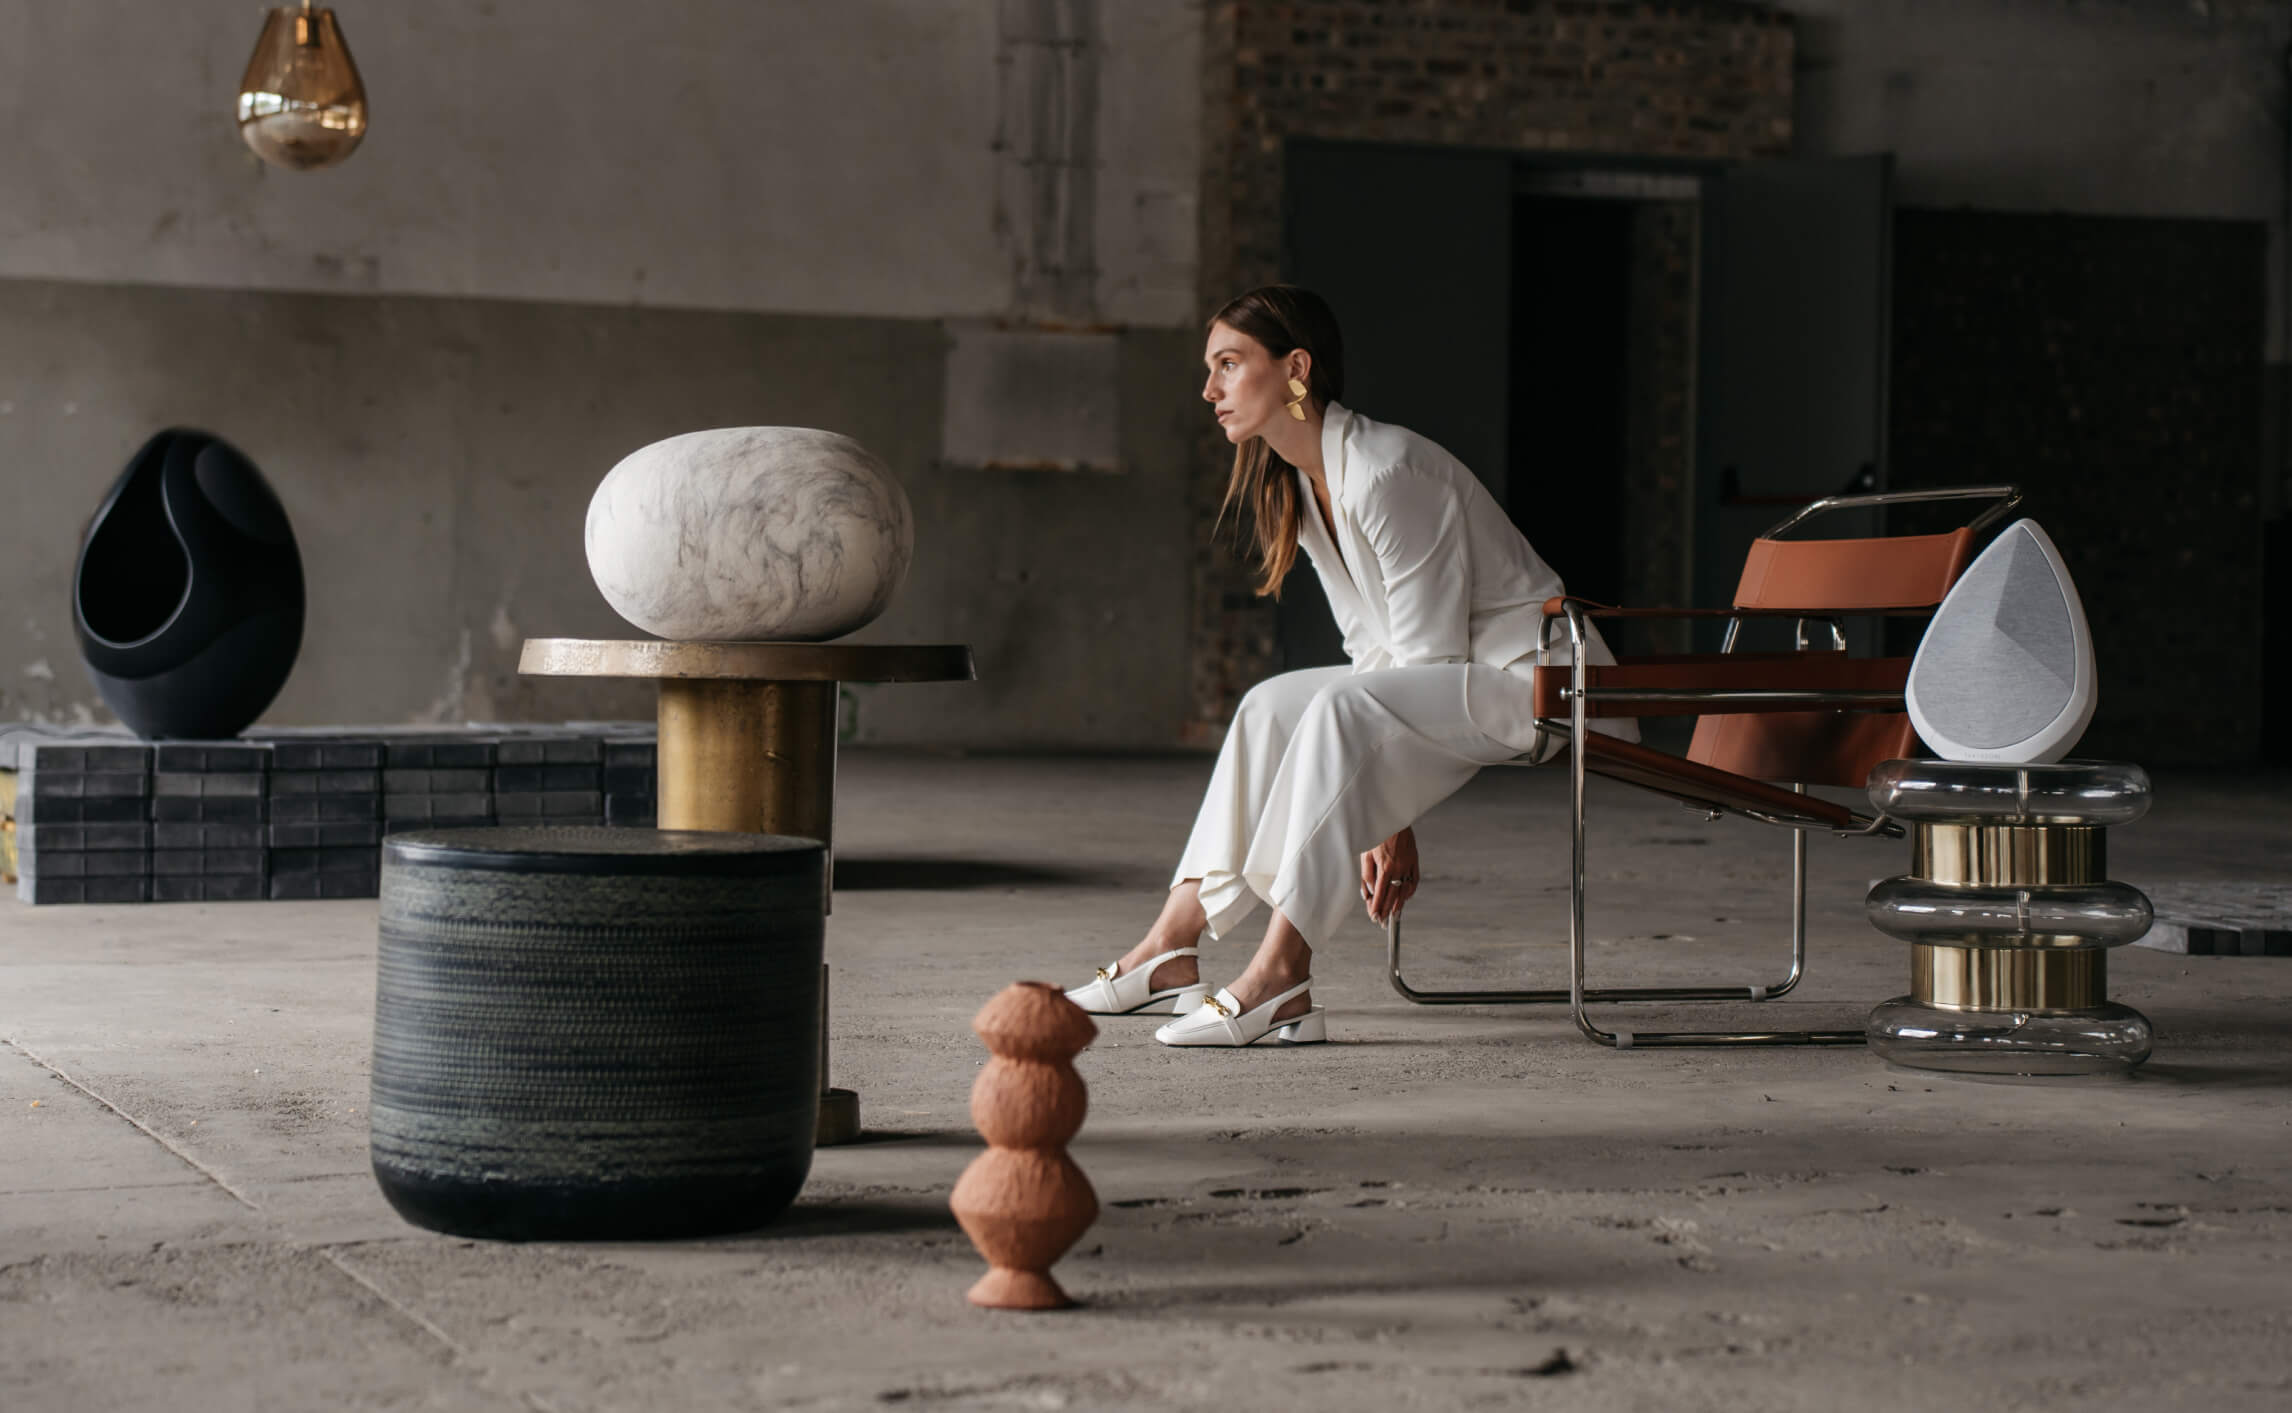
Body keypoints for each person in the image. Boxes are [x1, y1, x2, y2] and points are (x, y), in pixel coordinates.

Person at [1062, 285, 1632, 1048]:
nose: (1210, 389)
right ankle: (1170, 944)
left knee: (1340, 710)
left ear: (1295, 367)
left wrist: (1386, 811)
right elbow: (1373, 649)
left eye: (1229, 364)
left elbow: (1427, 659)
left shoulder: (1386, 470)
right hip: (1460, 681)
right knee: (1271, 704)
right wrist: (1376, 794)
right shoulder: (1301, 481)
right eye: (1210, 369)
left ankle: (1280, 974)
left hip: (1544, 683)